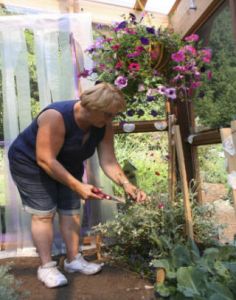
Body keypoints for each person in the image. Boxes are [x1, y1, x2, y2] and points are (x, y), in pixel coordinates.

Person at [8, 82, 146, 288]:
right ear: (92, 108)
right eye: (109, 114)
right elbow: (45, 159)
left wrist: (126, 184)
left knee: (71, 209)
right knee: (44, 212)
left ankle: (73, 260)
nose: (111, 119)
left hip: (66, 162)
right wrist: (77, 185)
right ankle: (46, 267)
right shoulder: (56, 117)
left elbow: (108, 160)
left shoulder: (103, 124)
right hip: (31, 163)